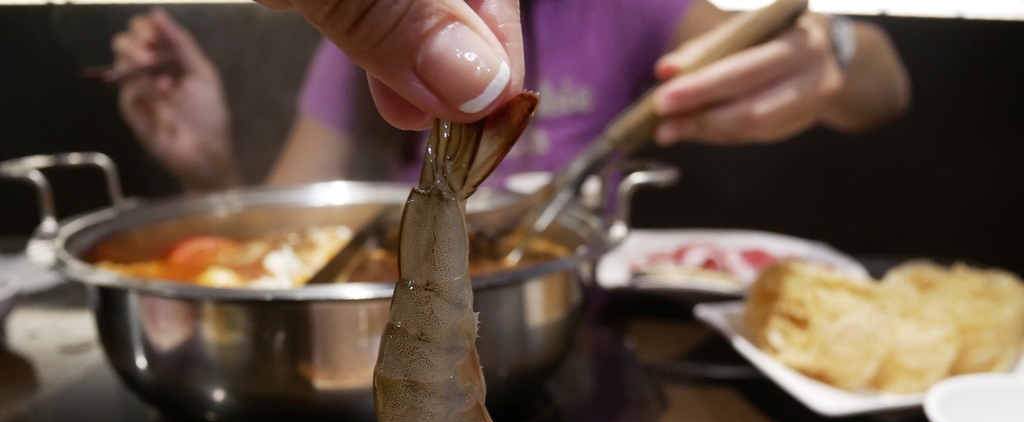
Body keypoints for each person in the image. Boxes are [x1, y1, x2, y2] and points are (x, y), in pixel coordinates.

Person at [111, 0, 910, 193]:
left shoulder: (628, 8)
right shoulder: (375, 35)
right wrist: (212, 168)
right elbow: (286, 221)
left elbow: (883, 91)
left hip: (564, 346)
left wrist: (832, 48)